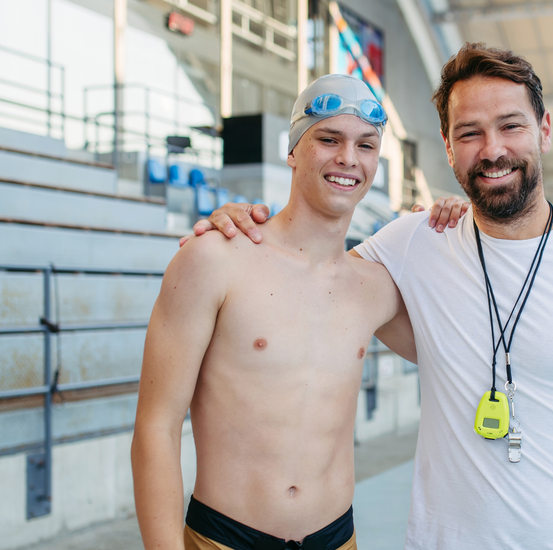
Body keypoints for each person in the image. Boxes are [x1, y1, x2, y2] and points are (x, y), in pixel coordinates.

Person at [190, 43, 553, 549]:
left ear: (544, 130)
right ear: (449, 149)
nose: (492, 149)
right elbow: (309, 270)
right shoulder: (416, 242)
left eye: (511, 126)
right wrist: (243, 227)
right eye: (469, 133)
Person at [131, 74, 465, 550]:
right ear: (292, 150)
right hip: (226, 538)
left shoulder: (375, 285)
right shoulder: (215, 258)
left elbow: (464, 346)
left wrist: (453, 232)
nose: (348, 158)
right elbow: (155, 427)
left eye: (366, 145)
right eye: (328, 139)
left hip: (337, 538)